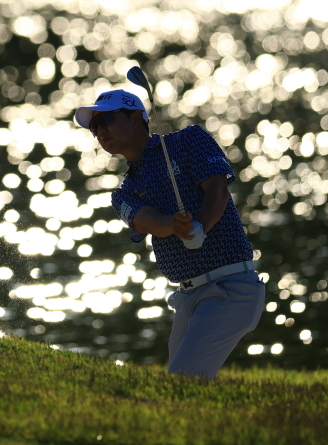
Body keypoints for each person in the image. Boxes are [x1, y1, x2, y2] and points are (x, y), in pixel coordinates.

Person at [74, 89, 264, 379]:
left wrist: (200, 224)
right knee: (181, 390)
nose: (100, 130)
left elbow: (218, 189)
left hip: (230, 289)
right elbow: (146, 221)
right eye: (94, 126)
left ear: (137, 118)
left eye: (107, 119)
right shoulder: (123, 193)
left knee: (181, 381)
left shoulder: (189, 140)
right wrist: (173, 224)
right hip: (188, 298)